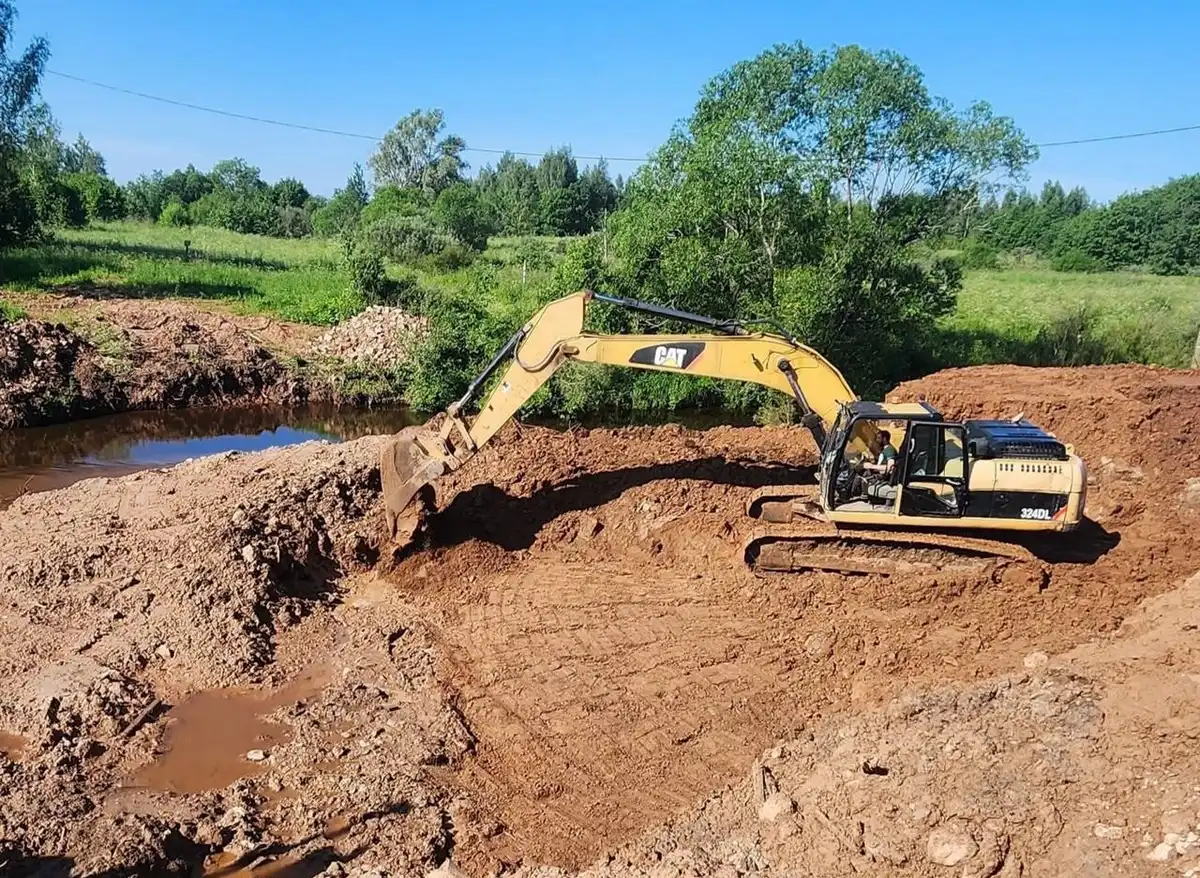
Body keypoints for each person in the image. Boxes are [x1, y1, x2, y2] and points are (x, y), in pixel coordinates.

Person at [848, 429, 898, 502]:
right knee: (858, 467)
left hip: (882, 477)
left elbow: (891, 468)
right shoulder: (884, 450)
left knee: (860, 471)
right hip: (877, 472)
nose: (877, 440)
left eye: (879, 438)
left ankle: (850, 493)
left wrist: (871, 466)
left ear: (884, 439)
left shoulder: (890, 450)